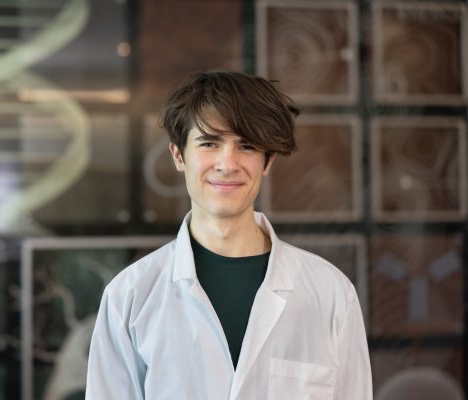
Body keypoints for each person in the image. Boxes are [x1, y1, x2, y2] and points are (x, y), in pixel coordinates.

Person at [85, 71, 372, 399]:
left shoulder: (330, 292)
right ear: (179, 155)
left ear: (267, 161)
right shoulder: (130, 296)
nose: (227, 163)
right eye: (209, 143)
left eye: (246, 145)